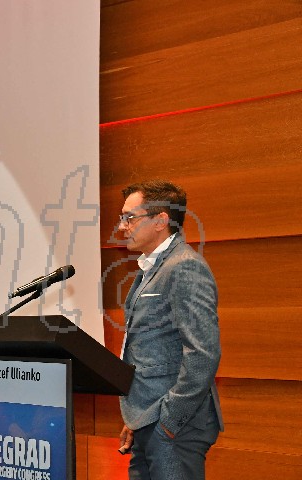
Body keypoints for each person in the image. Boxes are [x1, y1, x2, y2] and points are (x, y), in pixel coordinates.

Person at [116, 180, 223, 480]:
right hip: (148, 420)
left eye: (129, 218)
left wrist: (169, 420)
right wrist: (138, 418)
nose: (122, 226)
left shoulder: (184, 266)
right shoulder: (152, 268)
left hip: (174, 427)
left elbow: (203, 353)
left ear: (161, 220)